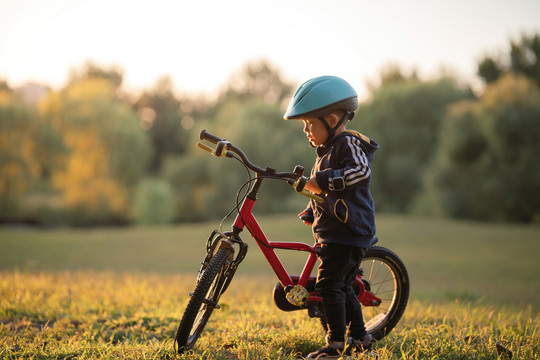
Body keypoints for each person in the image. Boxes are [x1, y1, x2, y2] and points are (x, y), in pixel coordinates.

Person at [283, 76, 379, 359]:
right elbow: (329, 196)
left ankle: (336, 345)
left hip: (348, 232)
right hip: (339, 232)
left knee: (328, 286)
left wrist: (321, 181)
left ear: (333, 119)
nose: (306, 130)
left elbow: (361, 172)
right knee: (343, 286)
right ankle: (360, 339)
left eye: (309, 124)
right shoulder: (325, 152)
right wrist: (311, 210)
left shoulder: (347, 143)